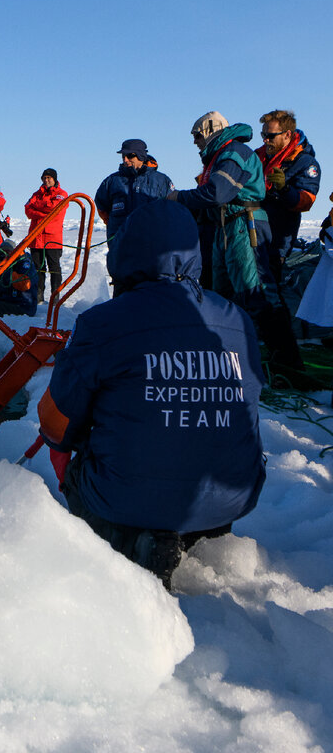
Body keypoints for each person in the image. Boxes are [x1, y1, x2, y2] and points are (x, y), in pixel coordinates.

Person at [38, 200, 265, 589]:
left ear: (126, 251)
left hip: (127, 501)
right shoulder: (237, 320)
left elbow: (54, 423)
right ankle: (196, 529)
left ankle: (135, 539)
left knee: (63, 439)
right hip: (232, 497)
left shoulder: (102, 324)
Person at [168, 111, 303, 372]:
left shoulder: (234, 153)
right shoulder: (219, 156)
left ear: (210, 131)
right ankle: (229, 352)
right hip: (226, 227)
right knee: (224, 295)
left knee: (257, 291)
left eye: (197, 135)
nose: (195, 141)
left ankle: (287, 360)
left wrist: (178, 198)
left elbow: (218, 192)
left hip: (244, 224)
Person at [256, 109, 322, 282]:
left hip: (277, 239)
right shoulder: (259, 156)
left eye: (270, 136)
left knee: (269, 287)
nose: (265, 140)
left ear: (287, 135)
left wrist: (284, 189)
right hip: (253, 233)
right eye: (263, 134)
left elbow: (306, 201)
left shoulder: (305, 163)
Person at [93, 139, 174, 267]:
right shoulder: (112, 181)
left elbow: (171, 210)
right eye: (123, 156)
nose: (125, 160)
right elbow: (101, 206)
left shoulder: (161, 181)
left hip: (152, 247)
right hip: (121, 247)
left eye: (130, 156)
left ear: (141, 156)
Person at [24, 168, 68, 304]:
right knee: (38, 269)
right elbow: (27, 210)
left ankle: (55, 298)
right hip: (36, 238)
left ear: (54, 179)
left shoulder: (62, 194)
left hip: (52, 238)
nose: (46, 180)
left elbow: (54, 209)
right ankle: (38, 298)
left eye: (49, 178)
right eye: (44, 178)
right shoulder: (36, 194)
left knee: (54, 269)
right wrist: (43, 214)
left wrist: (37, 207)